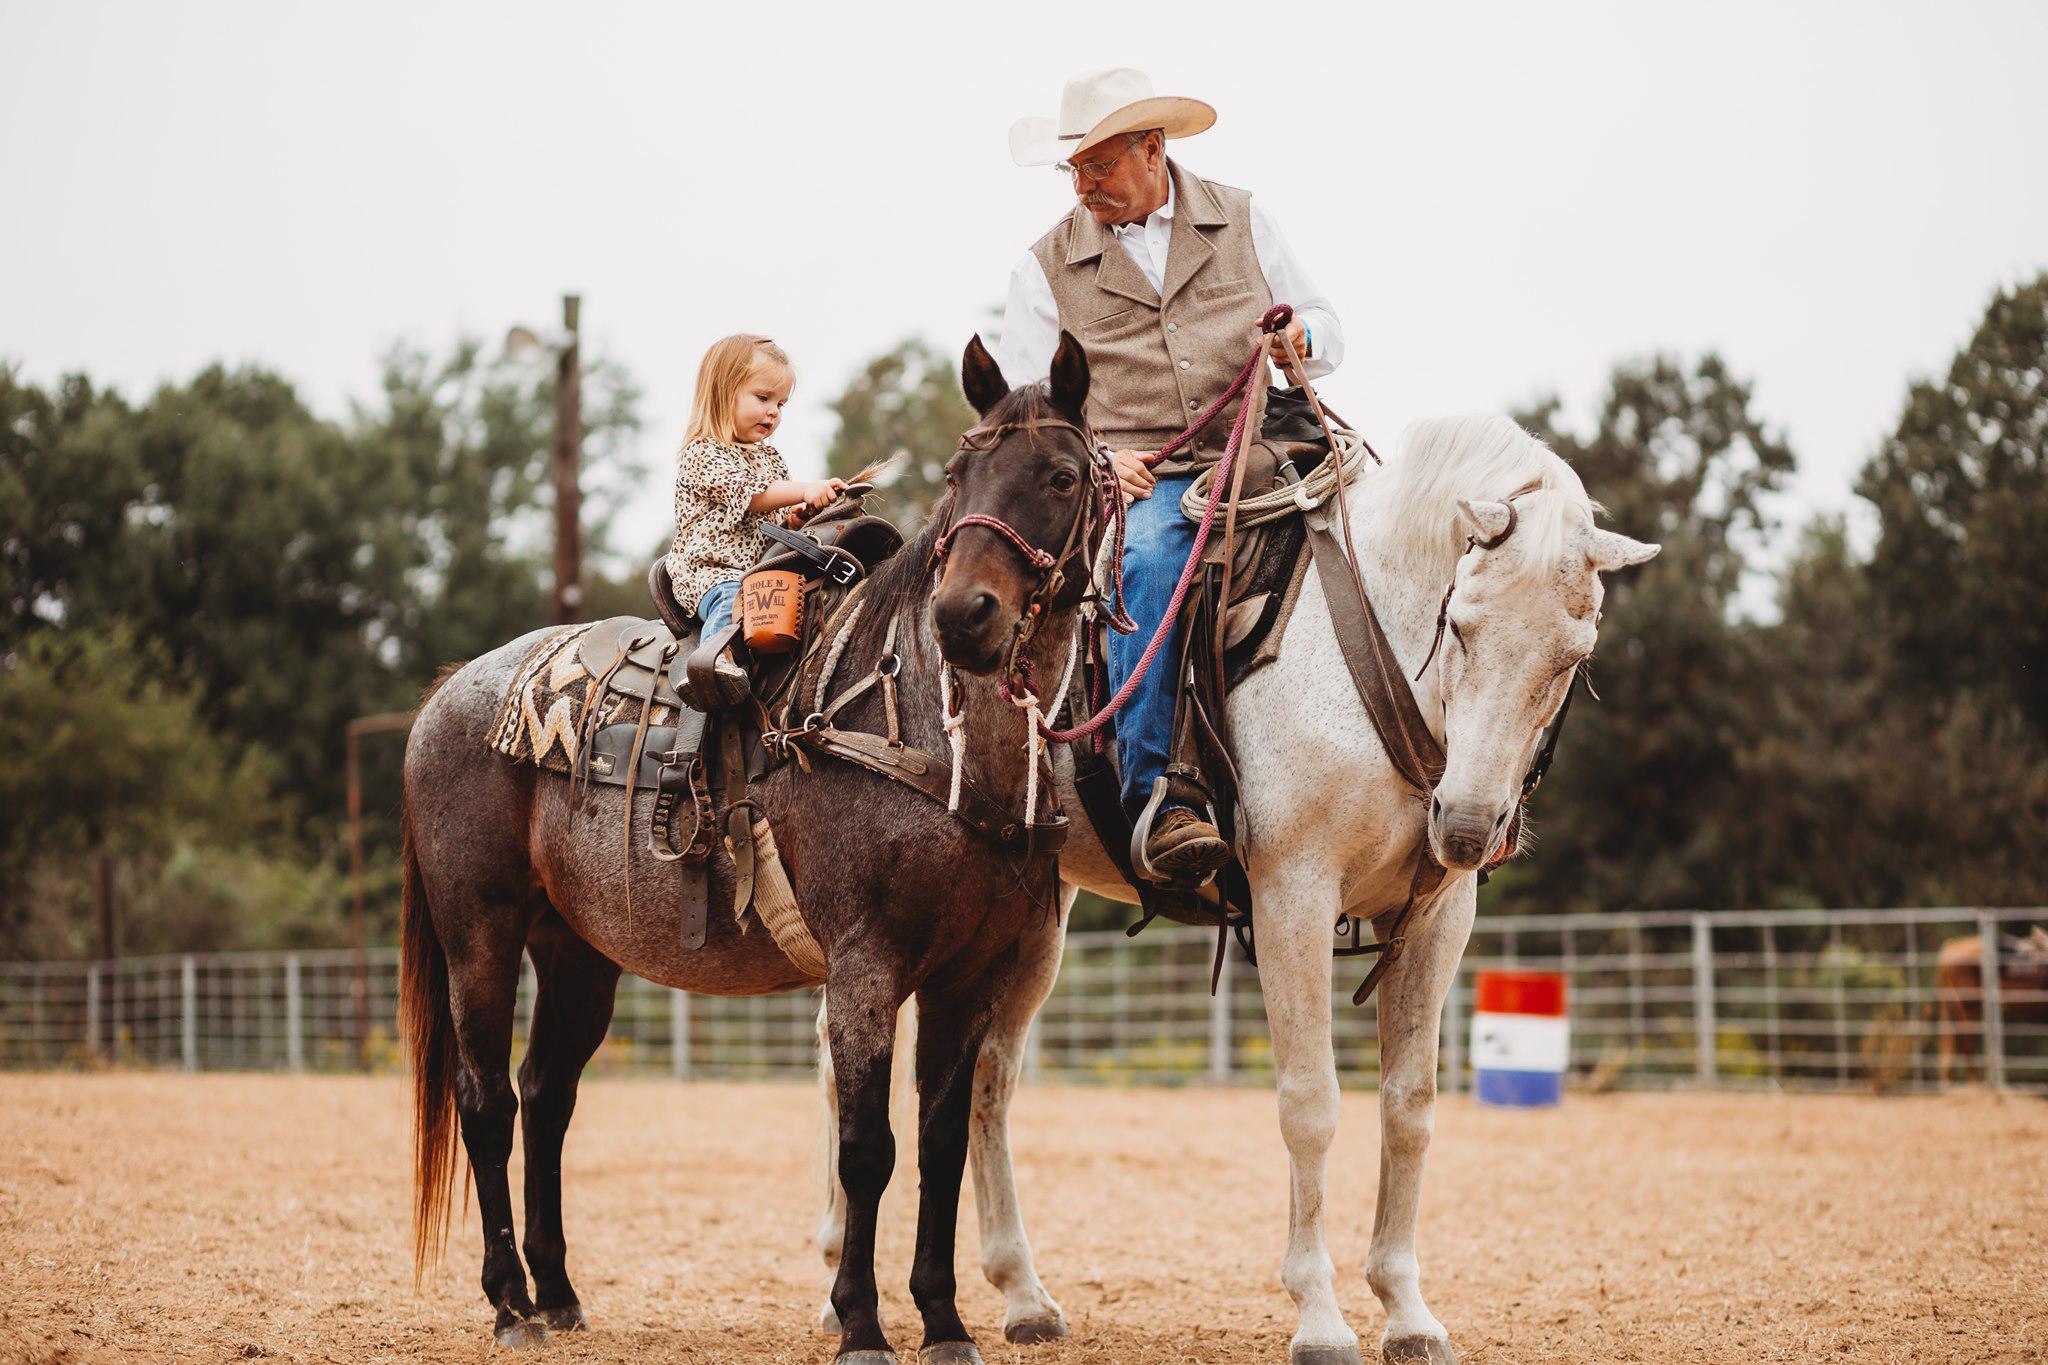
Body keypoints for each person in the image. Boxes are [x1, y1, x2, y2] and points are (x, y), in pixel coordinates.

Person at [996, 67, 1346, 881]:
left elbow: (1327, 326)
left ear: (1153, 150)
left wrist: (1299, 340)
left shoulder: (1246, 217)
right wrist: (1094, 457)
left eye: (1099, 166)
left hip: (1263, 451)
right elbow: (1026, 412)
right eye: (1073, 170)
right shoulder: (1042, 267)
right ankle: (1159, 798)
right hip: (1143, 482)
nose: (1082, 185)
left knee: (1381, 530)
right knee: (1148, 564)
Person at [665, 334, 844, 648]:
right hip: (713, 574)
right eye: (763, 398)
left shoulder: (771, 461)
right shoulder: (704, 455)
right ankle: (712, 668)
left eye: (780, 403)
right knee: (731, 601)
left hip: (762, 576)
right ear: (724, 393)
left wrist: (795, 521)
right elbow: (751, 496)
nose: (774, 411)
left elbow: (773, 516)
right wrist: (806, 490)